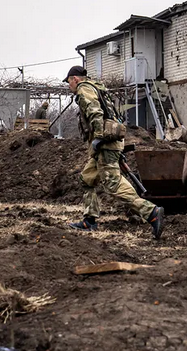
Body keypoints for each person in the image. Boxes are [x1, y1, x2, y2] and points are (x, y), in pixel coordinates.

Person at [62, 65, 165, 239]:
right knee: (87, 179)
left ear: (75, 79)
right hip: (108, 143)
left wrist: (99, 138)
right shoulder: (97, 87)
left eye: (69, 82)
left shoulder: (84, 89)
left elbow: (95, 112)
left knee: (113, 184)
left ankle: (151, 212)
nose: (69, 85)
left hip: (105, 144)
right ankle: (89, 221)